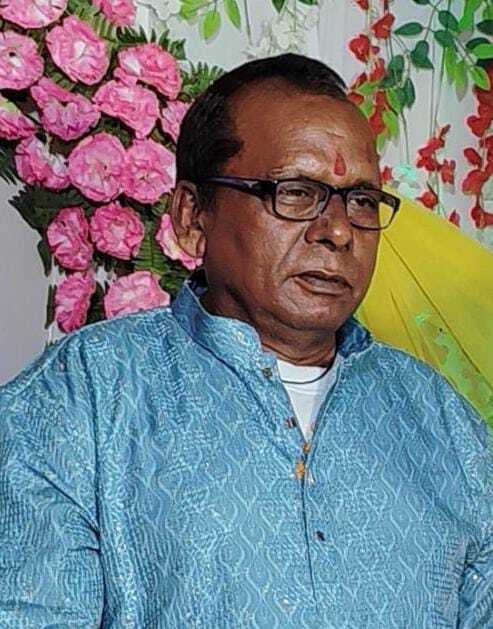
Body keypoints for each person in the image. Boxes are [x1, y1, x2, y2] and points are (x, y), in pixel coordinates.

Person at [0, 53, 492, 628]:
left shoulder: (441, 424)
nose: (338, 230)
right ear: (192, 217)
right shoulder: (82, 399)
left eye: (360, 200)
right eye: (295, 192)